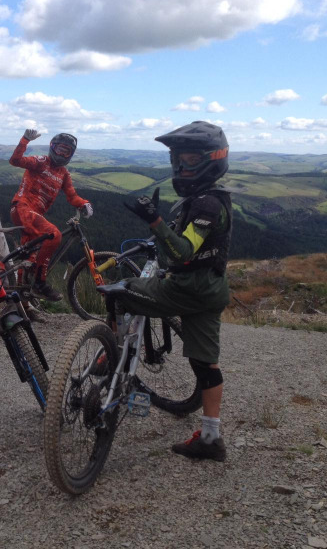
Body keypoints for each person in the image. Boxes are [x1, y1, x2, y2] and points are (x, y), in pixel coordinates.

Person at [119, 120, 232, 461]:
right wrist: (162, 229)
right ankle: (211, 438)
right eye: (178, 160)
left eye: (191, 160)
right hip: (211, 291)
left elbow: (184, 252)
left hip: (189, 288)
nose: (182, 167)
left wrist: (153, 222)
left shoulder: (207, 206)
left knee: (119, 289)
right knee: (205, 365)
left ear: (213, 158)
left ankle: (108, 355)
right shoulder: (209, 199)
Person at [9, 129, 93, 303]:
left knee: (28, 258)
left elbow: (72, 196)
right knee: (54, 235)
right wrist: (25, 140)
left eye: (66, 151)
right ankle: (40, 284)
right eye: (59, 149)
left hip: (33, 215)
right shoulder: (41, 161)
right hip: (22, 208)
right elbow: (15, 160)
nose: (61, 153)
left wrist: (83, 203)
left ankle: (20, 303)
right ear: (52, 147)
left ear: (71, 154)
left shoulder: (64, 174)